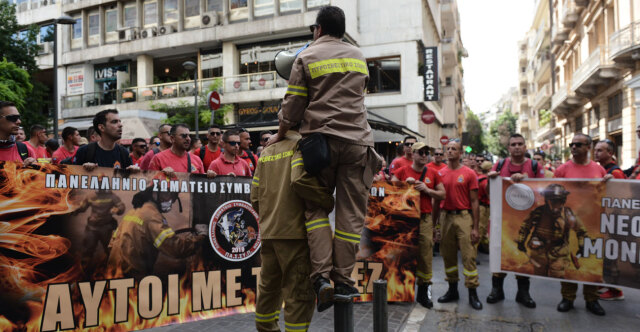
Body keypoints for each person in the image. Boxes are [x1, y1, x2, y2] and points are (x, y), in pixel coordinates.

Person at [268, 5, 381, 301]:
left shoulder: (306, 56)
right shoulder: (358, 56)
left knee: (316, 210)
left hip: (320, 146)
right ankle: (343, 279)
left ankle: (321, 278)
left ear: (317, 29)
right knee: (350, 216)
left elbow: (292, 107)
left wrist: (278, 135)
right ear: (342, 31)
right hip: (358, 143)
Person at [251, 127, 334, 329]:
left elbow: (254, 197)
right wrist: (326, 200)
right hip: (295, 233)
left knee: (268, 290)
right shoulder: (301, 144)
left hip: (270, 232)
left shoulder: (267, 151)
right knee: (298, 295)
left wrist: (271, 217)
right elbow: (300, 180)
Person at [553, 133, 610, 315]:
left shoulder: (599, 170)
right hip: (567, 223)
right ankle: (567, 298)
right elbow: (551, 192)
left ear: (588, 147)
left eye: (578, 144)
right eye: (572, 144)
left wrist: (611, 183)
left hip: (593, 224)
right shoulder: (562, 170)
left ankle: (591, 299)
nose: (574, 147)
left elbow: (609, 195)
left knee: (591, 262)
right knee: (568, 261)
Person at [485, 133, 543, 308]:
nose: (517, 147)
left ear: (525, 147)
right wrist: (490, 180)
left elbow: (543, 191)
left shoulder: (534, 166)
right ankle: (497, 290)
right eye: (513, 144)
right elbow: (489, 191)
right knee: (498, 254)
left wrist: (527, 182)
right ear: (508, 148)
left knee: (524, 256)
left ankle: (523, 293)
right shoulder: (499, 165)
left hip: (526, 221)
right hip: (501, 221)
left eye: (520, 144)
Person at [107, 179, 206, 279]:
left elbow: (112, 243)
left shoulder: (133, 211)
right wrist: (201, 238)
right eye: (167, 194)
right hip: (131, 276)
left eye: (173, 196)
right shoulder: (152, 216)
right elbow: (175, 248)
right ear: (154, 193)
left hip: (112, 272)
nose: (170, 200)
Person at [391, 142, 445, 308]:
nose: (423, 155)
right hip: (405, 218)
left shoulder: (433, 173)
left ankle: (423, 294)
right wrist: (403, 186)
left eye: (425, 153)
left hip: (424, 218)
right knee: (401, 253)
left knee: (425, 255)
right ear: (412, 154)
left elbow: (442, 194)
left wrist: (427, 190)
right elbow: (390, 191)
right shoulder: (402, 171)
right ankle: (399, 292)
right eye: (420, 152)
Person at [435, 139, 482, 310]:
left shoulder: (469, 173)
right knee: (448, 256)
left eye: (454, 149)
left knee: (469, 257)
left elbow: (475, 202)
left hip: (463, 217)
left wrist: (476, 228)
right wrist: (436, 226)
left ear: (461, 153)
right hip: (445, 216)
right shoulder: (440, 174)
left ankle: (472, 293)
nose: (450, 151)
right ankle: (452, 290)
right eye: (448, 149)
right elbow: (435, 200)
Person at [592, 139, 625, 301]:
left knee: (611, 256)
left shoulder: (615, 173)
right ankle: (605, 283)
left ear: (610, 153)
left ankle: (616, 291)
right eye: (595, 150)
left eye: (600, 150)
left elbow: (621, 197)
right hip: (601, 219)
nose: (595, 153)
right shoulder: (600, 169)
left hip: (611, 220)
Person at [74, 187, 125, 276]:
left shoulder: (112, 196)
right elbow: (82, 207)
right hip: (92, 228)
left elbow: (121, 206)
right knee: (87, 252)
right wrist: (75, 210)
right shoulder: (91, 196)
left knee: (110, 252)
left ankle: (111, 274)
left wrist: (117, 210)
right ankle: (83, 275)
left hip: (106, 228)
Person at [72, 109, 137, 171]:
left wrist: (135, 173)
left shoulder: (124, 153)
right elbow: (72, 177)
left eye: (119, 121)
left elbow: (129, 180)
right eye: (114, 122)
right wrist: (83, 170)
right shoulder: (84, 151)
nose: (120, 125)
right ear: (102, 127)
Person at [476, 161, 492, 254]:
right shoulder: (486, 180)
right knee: (481, 230)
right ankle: (472, 254)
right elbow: (488, 194)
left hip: (480, 205)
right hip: (483, 207)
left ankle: (486, 248)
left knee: (483, 229)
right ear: (489, 169)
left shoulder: (479, 178)